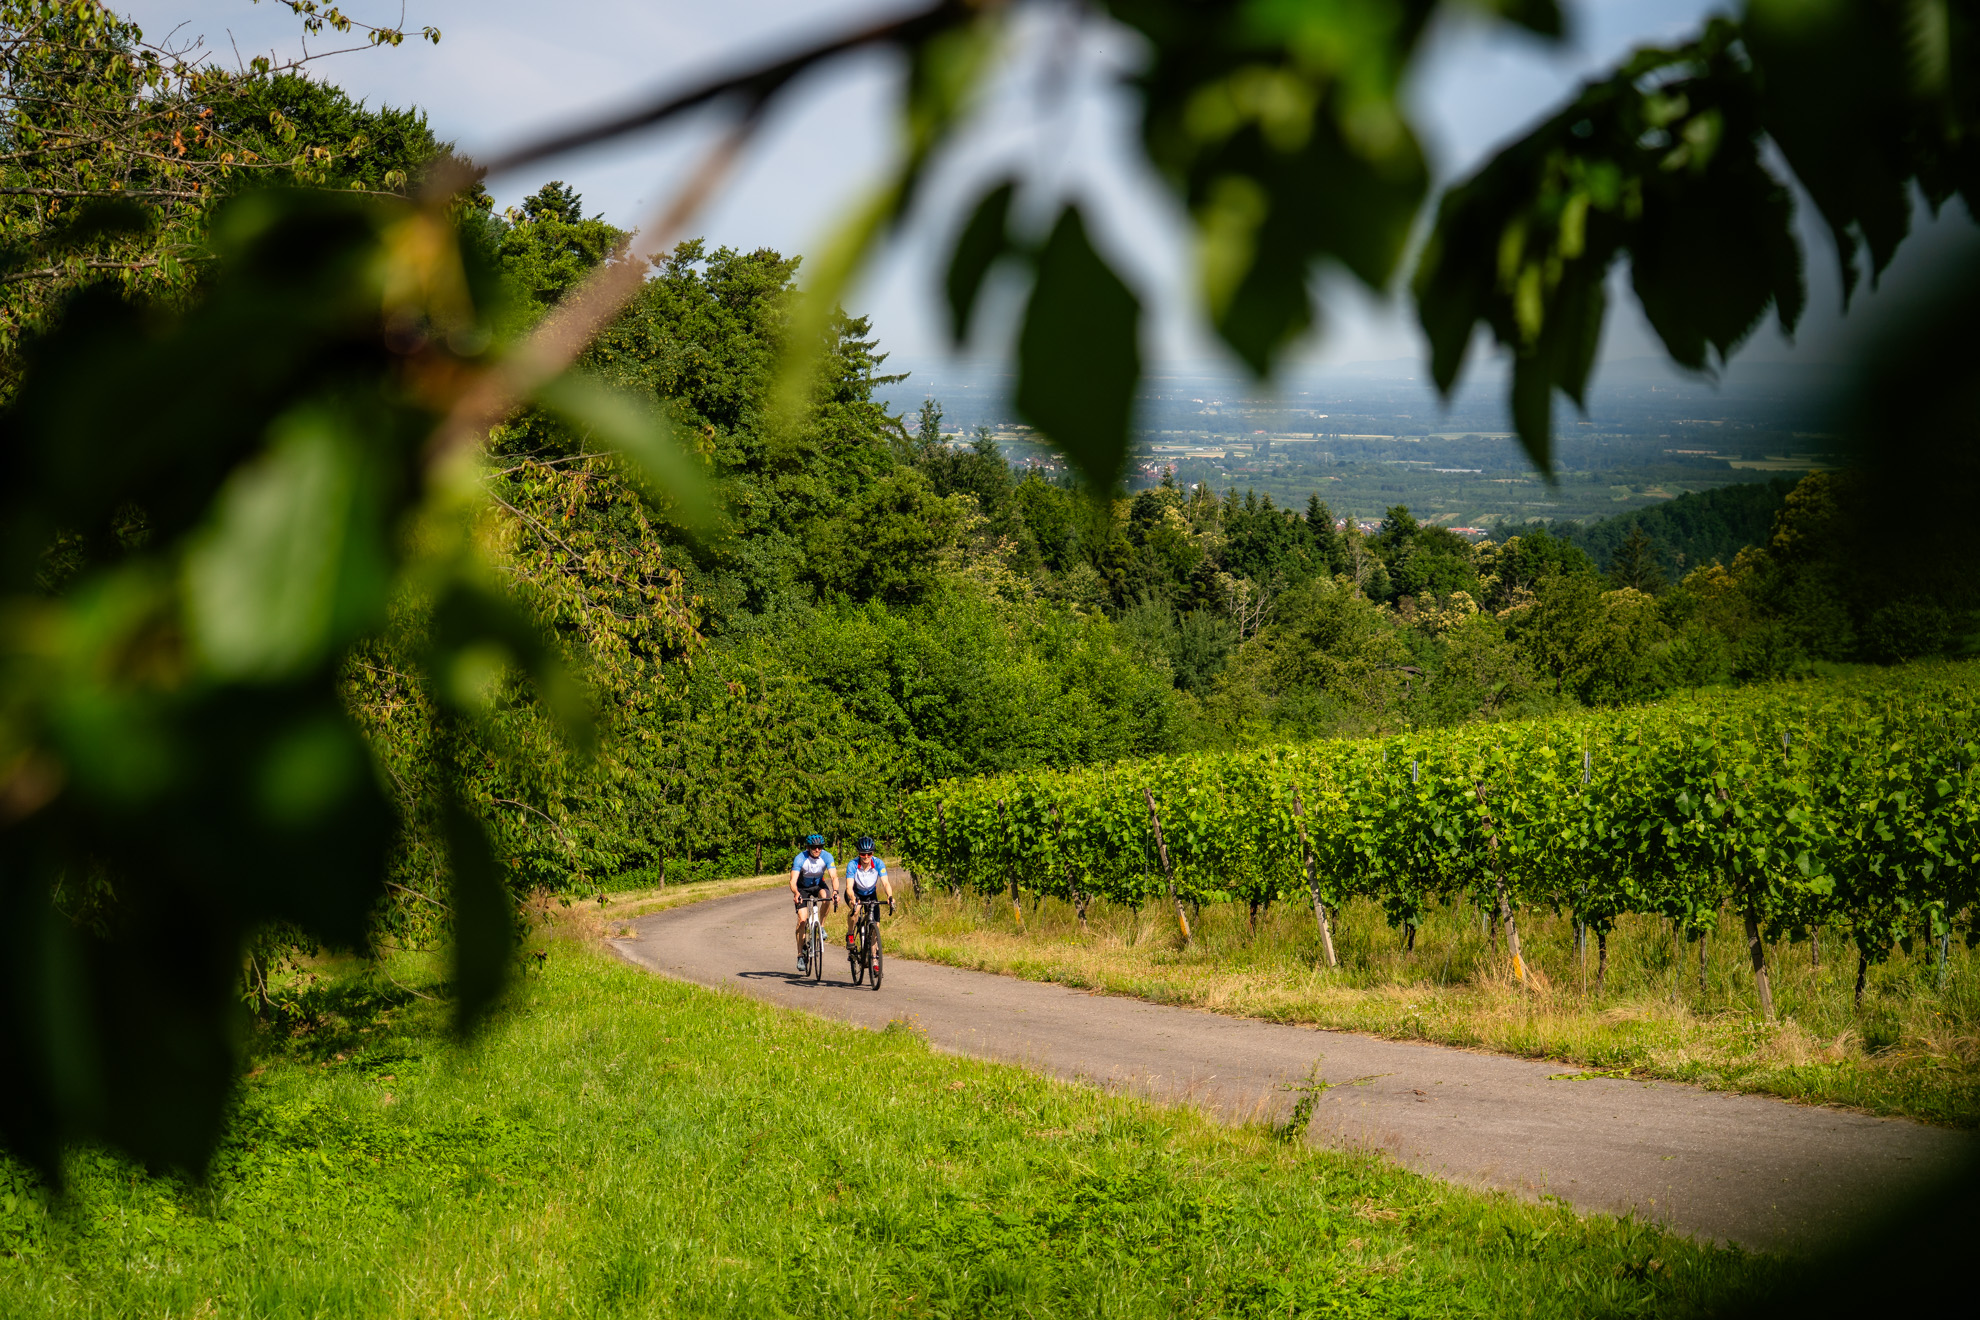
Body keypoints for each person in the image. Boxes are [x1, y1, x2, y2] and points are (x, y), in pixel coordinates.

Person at [789, 834, 837, 974]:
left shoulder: (827, 856)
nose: (817, 850)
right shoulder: (800, 858)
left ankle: (821, 926)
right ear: (808, 847)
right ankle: (800, 955)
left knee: (826, 898)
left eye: (820, 847)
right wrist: (796, 893)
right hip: (802, 888)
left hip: (818, 885)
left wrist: (835, 892)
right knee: (802, 919)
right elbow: (793, 881)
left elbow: (834, 876)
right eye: (814, 847)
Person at [843, 837, 894, 954]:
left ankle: (874, 958)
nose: (866, 857)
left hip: (871, 894)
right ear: (859, 853)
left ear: (873, 853)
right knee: (856, 910)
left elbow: (886, 883)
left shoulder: (878, 863)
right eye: (863, 854)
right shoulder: (852, 864)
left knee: (876, 927)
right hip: (855, 892)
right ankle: (850, 933)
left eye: (869, 854)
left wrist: (890, 896)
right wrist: (853, 898)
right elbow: (849, 887)